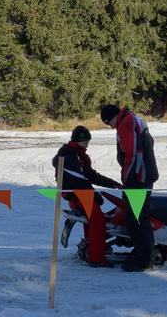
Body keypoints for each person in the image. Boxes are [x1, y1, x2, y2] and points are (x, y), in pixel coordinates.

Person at [52, 125, 122, 268]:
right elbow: (78, 179)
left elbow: (90, 175)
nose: (87, 144)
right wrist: (93, 195)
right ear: (77, 140)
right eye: (85, 141)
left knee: (91, 219)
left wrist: (113, 184)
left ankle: (90, 247)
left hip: (80, 192)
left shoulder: (79, 154)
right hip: (76, 194)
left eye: (88, 141)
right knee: (97, 219)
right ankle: (96, 258)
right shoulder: (69, 155)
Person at [100, 104, 158, 272]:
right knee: (136, 218)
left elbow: (132, 154)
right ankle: (141, 253)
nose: (110, 127)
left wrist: (128, 178)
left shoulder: (126, 123)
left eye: (108, 123)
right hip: (143, 176)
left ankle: (143, 260)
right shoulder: (133, 119)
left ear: (113, 117)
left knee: (137, 219)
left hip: (138, 179)